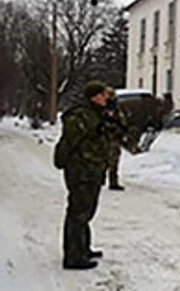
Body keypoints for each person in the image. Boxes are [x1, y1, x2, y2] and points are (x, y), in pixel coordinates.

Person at [53, 81, 114, 270]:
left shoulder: (96, 114)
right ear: (94, 96)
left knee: (86, 211)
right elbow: (68, 141)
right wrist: (60, 161)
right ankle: (73, 256)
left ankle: (83, 248)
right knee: (78, 212)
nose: (106, 98)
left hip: (93, 170)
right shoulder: (81, 116)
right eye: (103, 95)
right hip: (81, 171)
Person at [103, 87, 129, 191]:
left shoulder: (115, 108)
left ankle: (113, 181)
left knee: (114, 160)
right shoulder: (103, 108)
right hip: (105, 137)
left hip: (115, 137)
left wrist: (122, 129)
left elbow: (121, 120)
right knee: (104, 159)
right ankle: (102, 178)